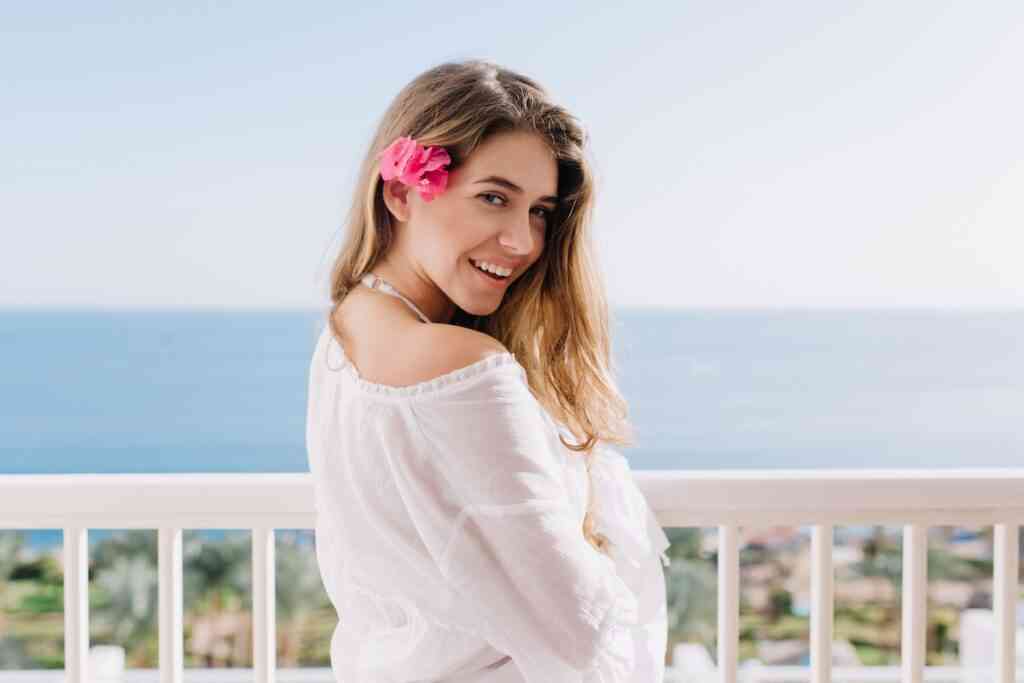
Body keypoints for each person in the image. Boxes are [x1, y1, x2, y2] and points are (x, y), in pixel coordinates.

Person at [305, 58, 671, 682]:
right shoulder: (463, 369)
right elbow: (578, 626)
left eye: (540, 211)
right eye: (493, 198)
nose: (523, 241)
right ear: (400, 192)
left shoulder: (347, 330)